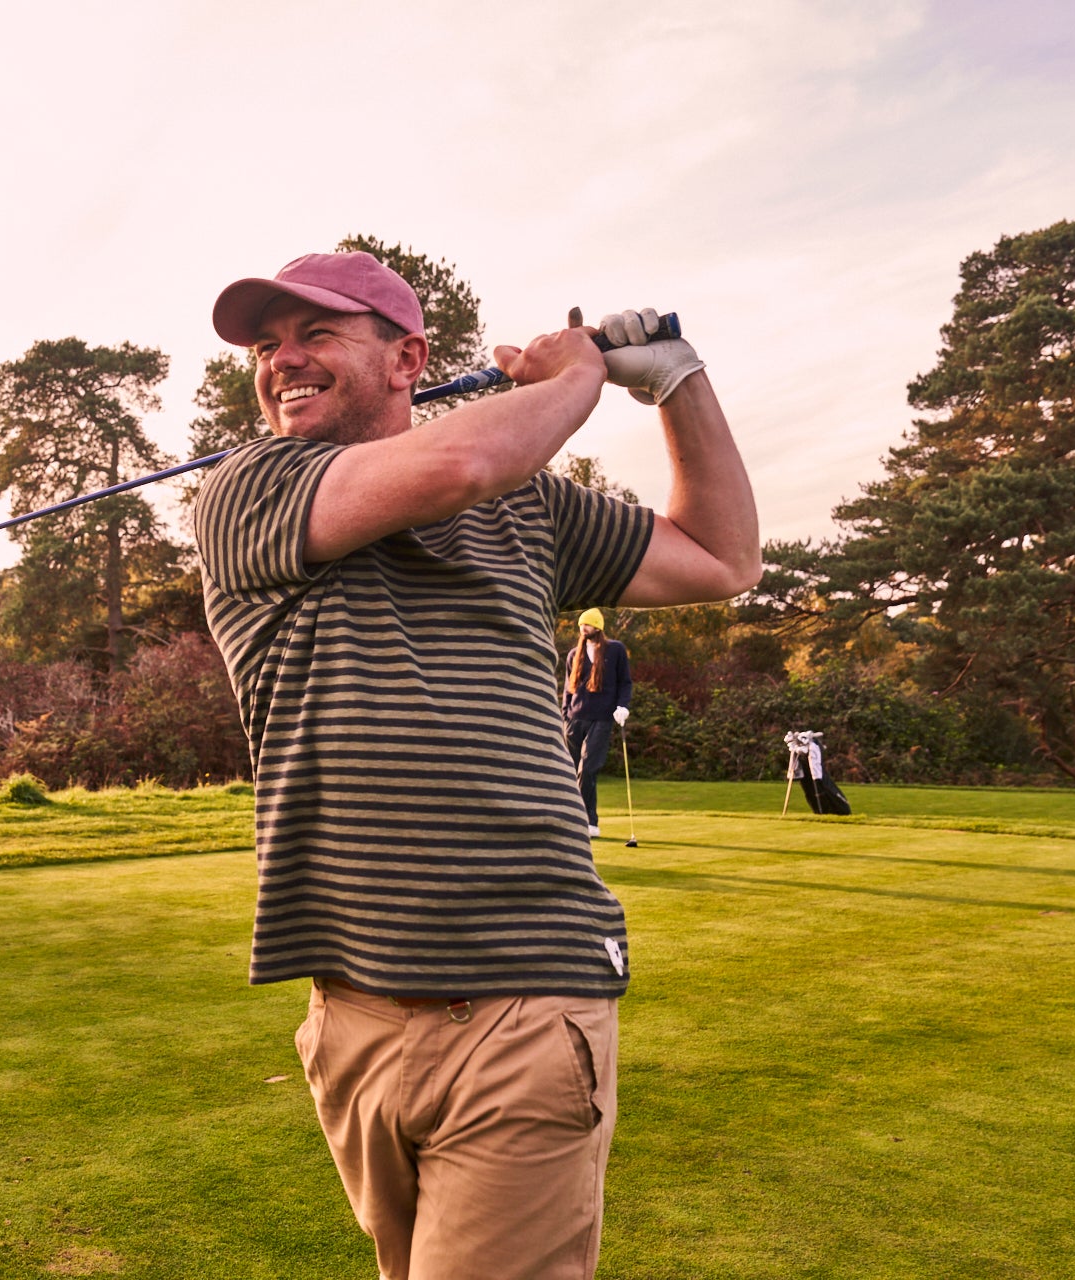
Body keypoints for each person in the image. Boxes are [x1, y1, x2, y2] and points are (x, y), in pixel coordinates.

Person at [192, 251, 758, 1280]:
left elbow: (722, 555)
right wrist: (576, 378)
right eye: (266, 345)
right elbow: (454, 465)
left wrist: (677, 381)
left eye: (315, 333)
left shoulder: (530, 509)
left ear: (408, 356)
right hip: (351, 1013)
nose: (282, 361)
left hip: (525, 994)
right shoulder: (248, 491)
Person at [564, 608, 633, 838]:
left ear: (598, 627)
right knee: (571, 771)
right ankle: (572, 818)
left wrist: (623, 706)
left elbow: (625, 682)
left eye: (589, 625)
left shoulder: (615, 650)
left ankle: (589, 821)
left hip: (602, 718)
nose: (584, 629)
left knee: (588, 768)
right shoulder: (575, 653)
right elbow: (567, 688)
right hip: (575, 718)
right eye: (582, 625)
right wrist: (565, 715)